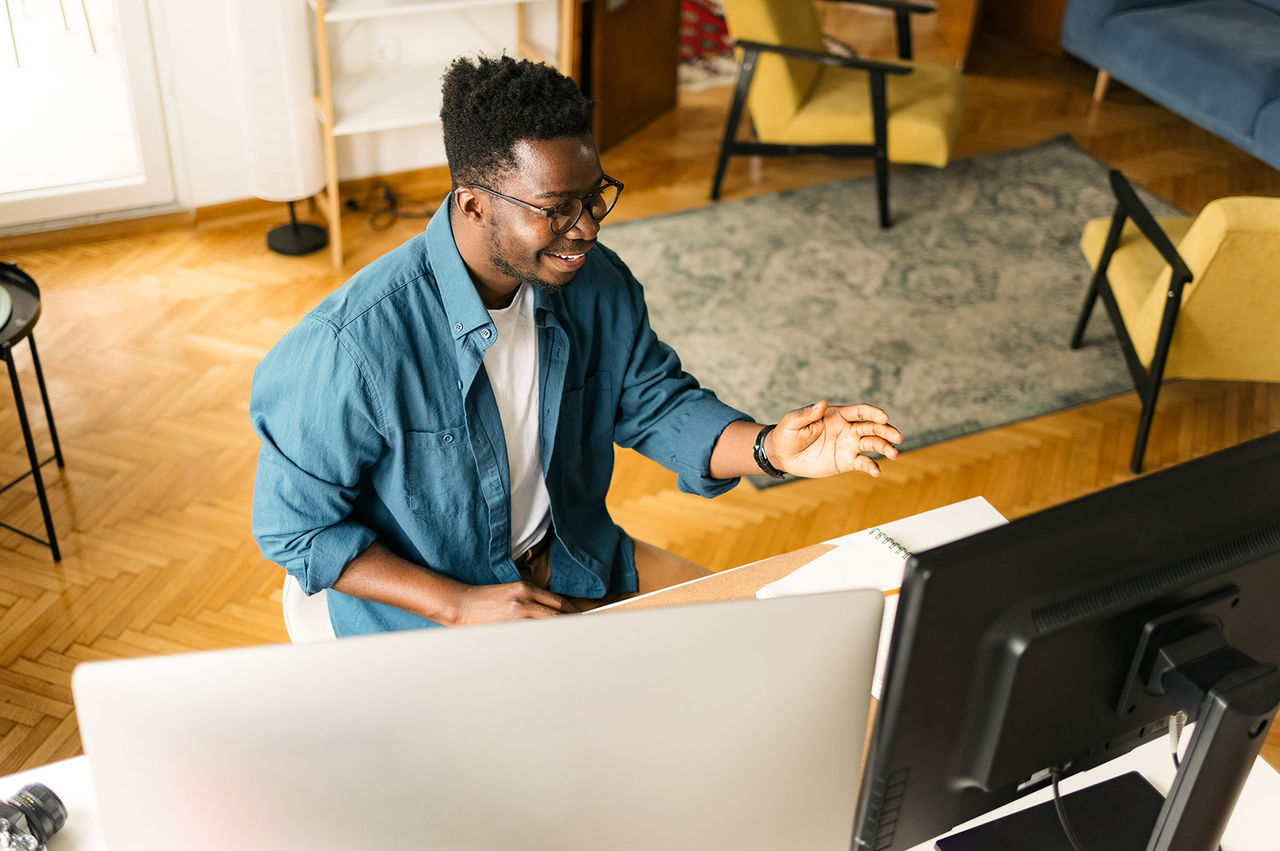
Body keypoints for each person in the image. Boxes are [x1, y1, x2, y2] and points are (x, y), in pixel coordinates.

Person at [250, 55, 904, 637]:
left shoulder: (594, 284)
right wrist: (460, 605)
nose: (586, 228)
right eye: (558, 206)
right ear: (473, 203)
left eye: (593, 198)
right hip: (425, 612)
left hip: (570, 560)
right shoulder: (351, 348)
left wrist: (771, 448)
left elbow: (653, 403)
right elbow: (298, 530)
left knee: (749, 640)